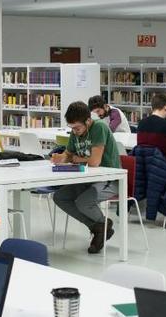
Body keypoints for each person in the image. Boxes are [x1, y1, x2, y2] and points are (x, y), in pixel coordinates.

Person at [52, 101, 121, 254]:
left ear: (88, 121)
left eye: (77, 128)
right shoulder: (75, 133)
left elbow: (95, 161)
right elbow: (69, 154)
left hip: (110, 179)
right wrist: (61, 158)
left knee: (84, 201)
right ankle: (100, 227)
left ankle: (100, 228)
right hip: (88, 180)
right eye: (72, 128)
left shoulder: (99, 128)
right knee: (60, 197)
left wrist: (75, 159)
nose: (75, 132)